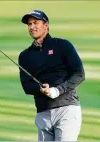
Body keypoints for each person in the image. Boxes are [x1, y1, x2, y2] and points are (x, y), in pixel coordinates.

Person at [18, 10, 85, 141]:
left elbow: (79, 74)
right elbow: (26, 86)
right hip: (43, 113)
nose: (32, 27)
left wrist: (57, 90)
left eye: (35, 23)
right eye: (29, 24)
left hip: (66, 109)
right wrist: (40, 89)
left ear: (46, 25)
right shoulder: (25, 56)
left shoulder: (62, 45)